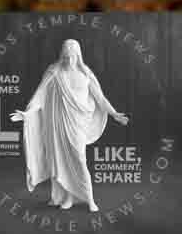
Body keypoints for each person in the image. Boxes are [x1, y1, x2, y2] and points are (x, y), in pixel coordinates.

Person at [12, 38, 128, 214]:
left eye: (72, 56)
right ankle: (68, 197)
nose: (68, 60)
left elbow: (100, 98)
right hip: (59, 124)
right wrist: (27, 114)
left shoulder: (86, 74)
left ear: (78, 56)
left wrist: (114, 113)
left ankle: (90, 199)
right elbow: (39, 95)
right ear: (62, 55)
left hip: (78, 124)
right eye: (65, 56)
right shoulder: (54, 73)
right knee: (62, 161)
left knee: (80, 160)